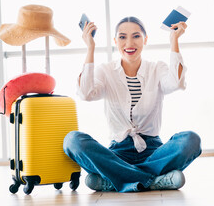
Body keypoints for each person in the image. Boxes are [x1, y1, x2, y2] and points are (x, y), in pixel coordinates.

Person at [63, 16, 201, 193]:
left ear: (145, 39)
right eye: (122, 37)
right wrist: (90, 48)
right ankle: (153, 181)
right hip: (116, 154)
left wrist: (174, 40)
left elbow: (177, 83)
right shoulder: (105, 71)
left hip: (153, 152)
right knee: (73, 141)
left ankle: (115, 180)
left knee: (191, 140)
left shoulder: (156, 68)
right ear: (115, 41)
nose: (129, 42)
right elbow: (85, 93)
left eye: (136, 36)